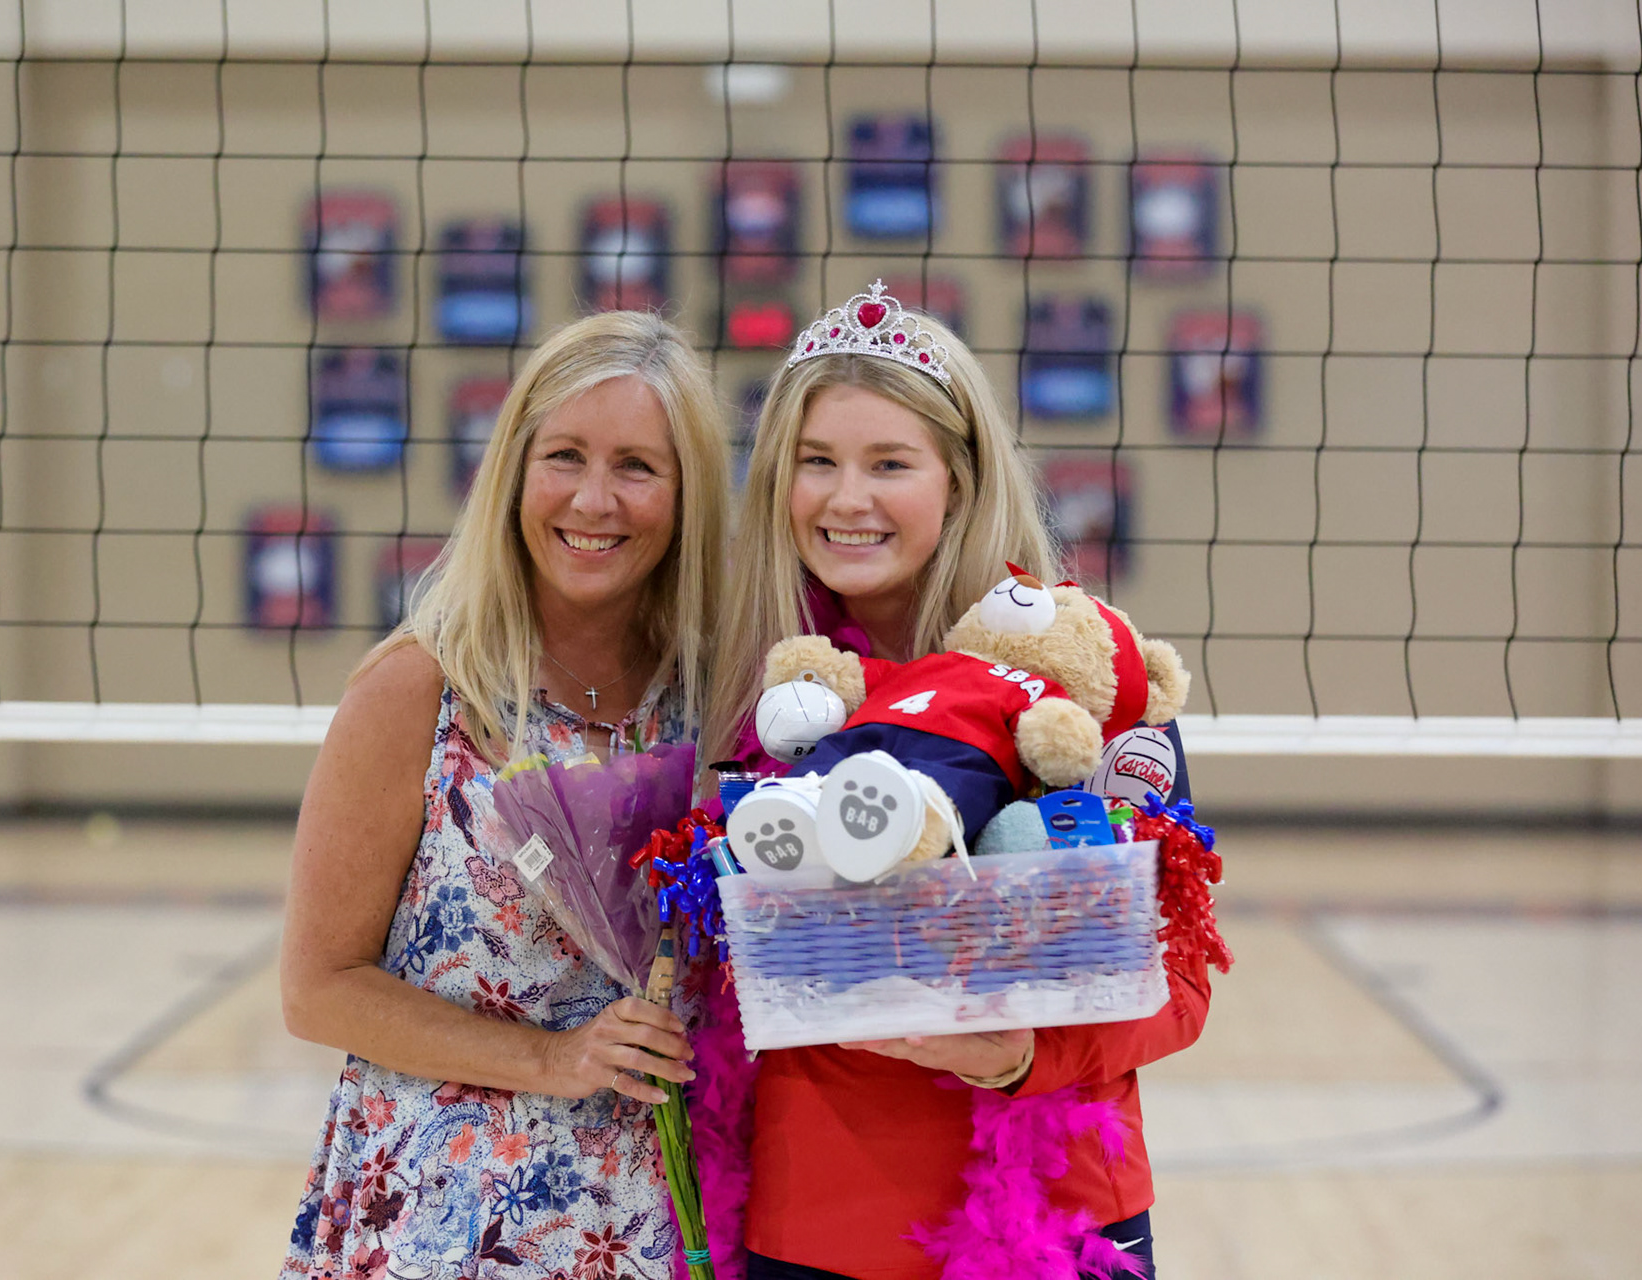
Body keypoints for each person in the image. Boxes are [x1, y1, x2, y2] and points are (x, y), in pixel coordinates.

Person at [705, 282, 1209, 1280]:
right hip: (820, 1221)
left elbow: (1180, 981)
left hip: (1054, 1216)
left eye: (889, 463)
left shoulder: (1087, 680)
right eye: (817, 462)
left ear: (961, 479)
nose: (846, 498)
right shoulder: (762, 691)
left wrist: (1025, 1054)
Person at [277, 311, 729, 1280]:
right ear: (515, 470)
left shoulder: (720, 694)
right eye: (564, 455)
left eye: (639, 467)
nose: (594, 499)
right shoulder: (419, 688)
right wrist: (556, 1059)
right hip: (454, 1211)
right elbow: (317, 988)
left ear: (688, 493)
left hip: (671, 1215)